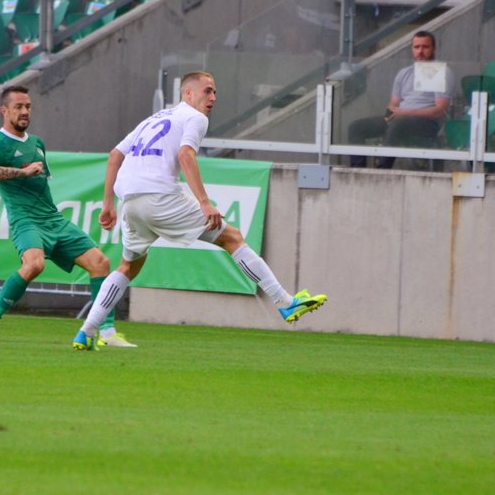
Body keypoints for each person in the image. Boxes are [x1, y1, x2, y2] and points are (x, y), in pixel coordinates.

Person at [72, 71, 328, 350]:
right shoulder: (195, 118)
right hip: (160, 196)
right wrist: (205, 203)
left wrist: (108, 203)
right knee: (232, 238)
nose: (213, 98)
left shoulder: (153, 119)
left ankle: (86, 330)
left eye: (215, 92)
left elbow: (114, 156)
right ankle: (286, 303)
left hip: (130, 201)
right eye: (207, 91)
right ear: (188, 93)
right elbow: (185, 155)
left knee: (128, 266)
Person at [0, 85, 137, 347]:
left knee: (101, 263)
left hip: (53, 219)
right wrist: (21, 173)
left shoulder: (37, 143)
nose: (25, 111)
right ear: (4, 111)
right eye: (18, 107)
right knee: (34, 265)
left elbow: (42, 184)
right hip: (26, 220)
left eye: (28, 106)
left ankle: (106, 332)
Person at [348, 30, 455, 169]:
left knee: (398, 124)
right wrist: (385, 121)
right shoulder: (404, 73)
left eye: (425, 47)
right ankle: (358, 170)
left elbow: (440, 111)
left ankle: (382, 171)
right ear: (412, 49)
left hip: (428, 123)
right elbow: (393, 105)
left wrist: (404, 114)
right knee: (356, 127)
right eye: (417, 47)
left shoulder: (442, 72)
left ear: (434, 48)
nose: (420, 51)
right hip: (401, 119)